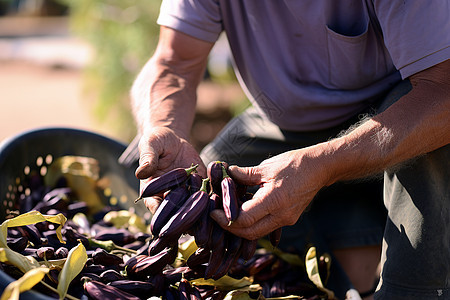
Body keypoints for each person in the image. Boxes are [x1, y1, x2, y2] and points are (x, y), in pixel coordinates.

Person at [130, 1, 449, 299]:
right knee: (202, 210)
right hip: (284, 125)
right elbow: (174, 62)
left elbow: (443, 93)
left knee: (435, 154)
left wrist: (324, 164)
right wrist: (164, 126)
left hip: (403, 117)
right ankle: (341, 261)